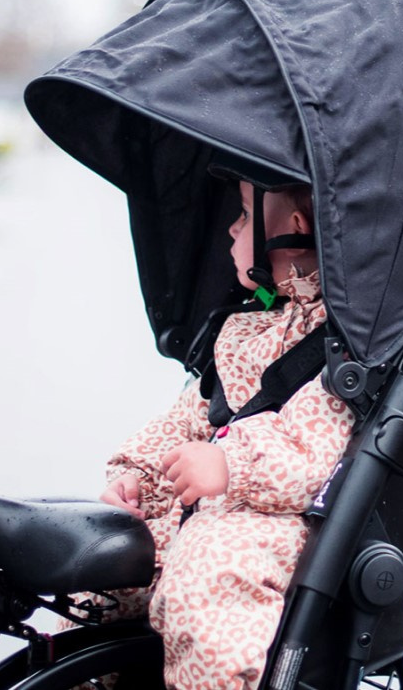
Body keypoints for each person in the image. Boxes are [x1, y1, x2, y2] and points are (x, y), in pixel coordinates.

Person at [92, 179, 355, 690]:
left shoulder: (342, 347)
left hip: (272, 525)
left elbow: (316, 448)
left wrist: (233, 465)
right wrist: (136, 479)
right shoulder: (246, 329)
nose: (231, 229)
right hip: (205, 513)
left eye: (243, 215)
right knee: (101, 580)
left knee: (206, 580)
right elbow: (187, 418)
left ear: (294, 232)